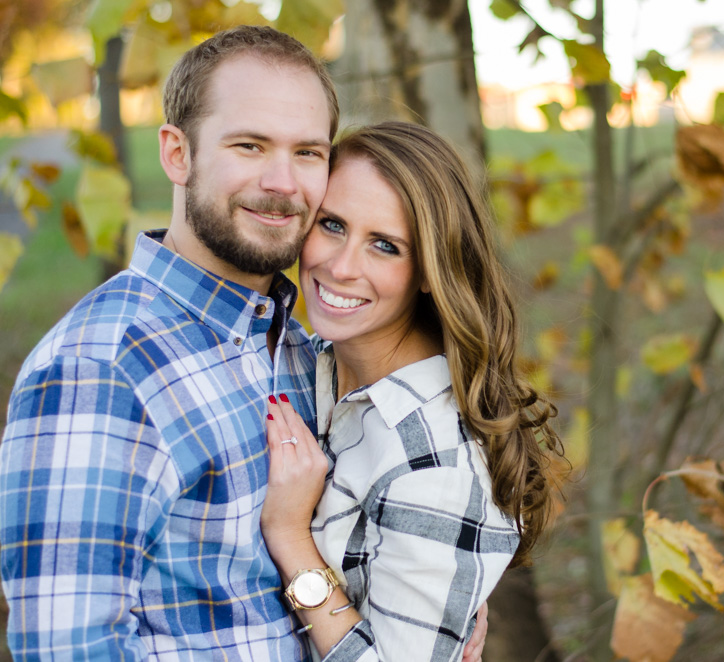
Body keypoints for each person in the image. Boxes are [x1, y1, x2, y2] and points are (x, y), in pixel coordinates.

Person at [0, 27, 486, 661]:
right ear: (177, 153)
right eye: (250, 145)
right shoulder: (102, 369)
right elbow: (69, 647)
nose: (283, 182)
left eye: (308, 152)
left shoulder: (294, 345)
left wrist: (441, 603)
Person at [256, 121, 565, 661]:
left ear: (429, 270)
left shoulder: (437, 465)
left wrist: (290, 538)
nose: (341, 266)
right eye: (332, 225)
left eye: (384, 245)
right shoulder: (307, 363)